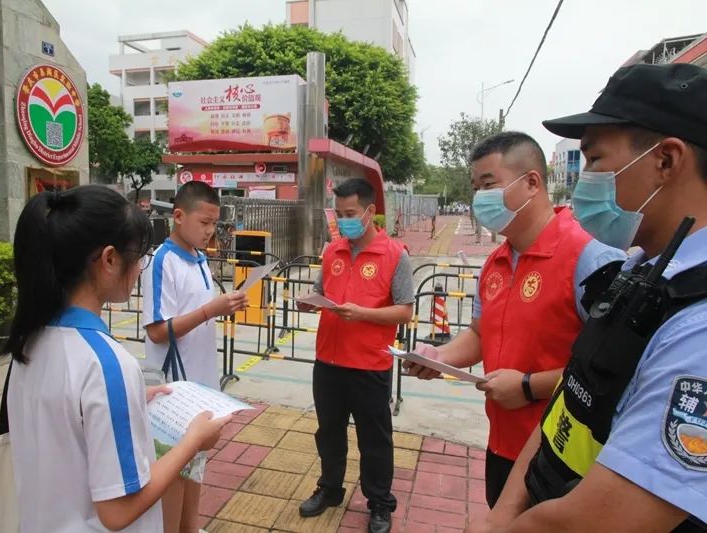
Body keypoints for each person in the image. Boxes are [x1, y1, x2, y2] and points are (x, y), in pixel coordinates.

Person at [469, 63, 707, 533]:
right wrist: (502, 513)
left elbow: (605, 518)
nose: (585, 181)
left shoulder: (695, 323)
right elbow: (569, 402)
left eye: (595, 161)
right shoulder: (640, 270)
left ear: (666, 160)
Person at [404, 131, 625, 507]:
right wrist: (439, 358)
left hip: (563, 454)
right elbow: (479, 332)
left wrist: (527, 387)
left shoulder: (591, 260)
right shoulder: (496, 261)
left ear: (532, 183)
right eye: (475, 187)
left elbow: (614, 370)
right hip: (501, 444)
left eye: (489, 184)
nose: (479, 198)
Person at [4, 185, 230, 533]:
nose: (140, 268)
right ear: (109, 260)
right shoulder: (107, 365)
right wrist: (193, 442)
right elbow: (119, 510)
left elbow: (65, 427)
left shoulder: (28, 344)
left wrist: (130, 400)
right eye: (137, 256)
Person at [298, 178, 414, 533]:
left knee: (374, 439)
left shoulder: (395, 254)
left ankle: (379, 502)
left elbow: (405, 311)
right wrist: (308, 300)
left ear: (369, 212)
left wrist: (362, 314)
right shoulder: (333, 250)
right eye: (339, 213)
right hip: (328, 363)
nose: (344, 220)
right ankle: (330, 488)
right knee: (329, 432)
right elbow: (321, 291)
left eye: (350, 213)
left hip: (369, 365)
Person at [141, 181, 248, 531]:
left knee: (196, 461)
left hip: (200, 382)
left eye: (214, 223)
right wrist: (209, 310)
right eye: (204, 222)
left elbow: (197, 312)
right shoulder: (163, 261)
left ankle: (190, 526)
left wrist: (222, 308)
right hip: (174, 388)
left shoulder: (200, 258)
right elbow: (157, 330)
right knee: (173, 469)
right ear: (178, 216)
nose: (209, 231)